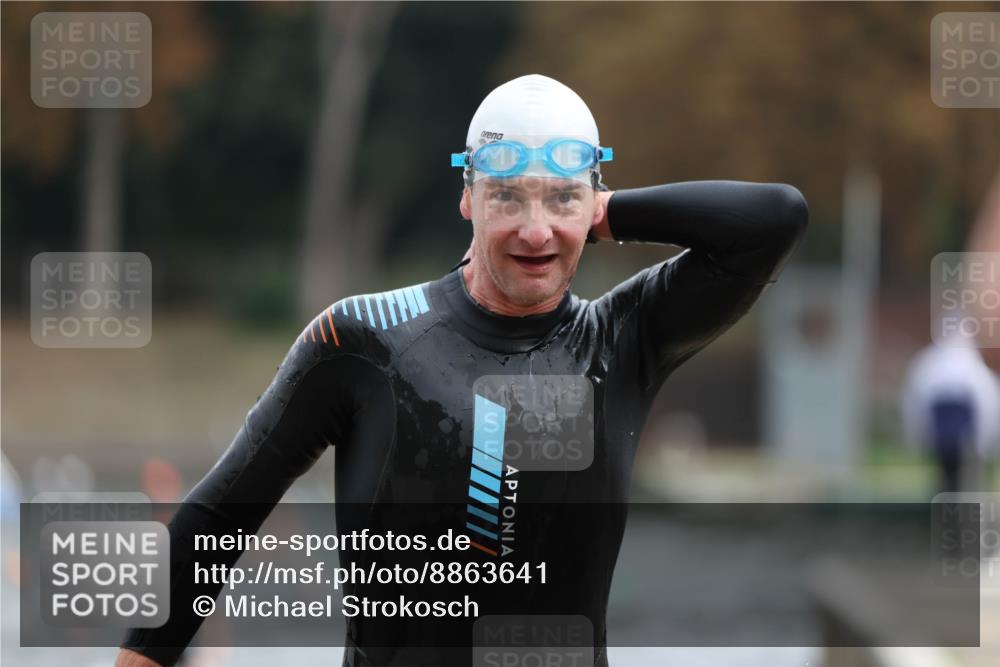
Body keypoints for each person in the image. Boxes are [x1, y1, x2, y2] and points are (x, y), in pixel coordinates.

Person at [116, 73, 808, 666]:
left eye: (560, 199)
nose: (535, 231)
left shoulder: (622, 340)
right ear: (467, 199)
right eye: (507, 196)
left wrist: (607, 211)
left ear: (595, 205)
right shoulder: (363, 340)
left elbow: (774, 220)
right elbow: (216, 516)